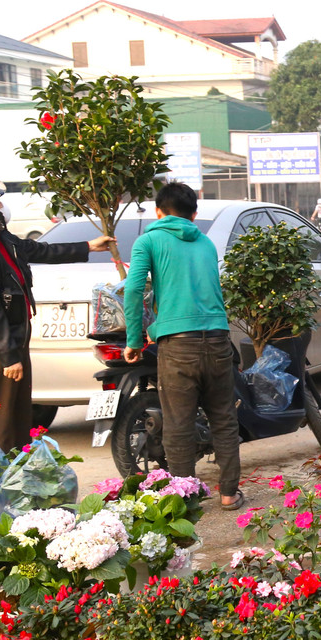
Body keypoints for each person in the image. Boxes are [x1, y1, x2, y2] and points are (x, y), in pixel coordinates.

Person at [0, 175, 110, 452]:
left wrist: (88, 247)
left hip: (10, 343)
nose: (1, 209)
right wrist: (9, 357)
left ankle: (18, 481)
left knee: (19, 419)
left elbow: (39, 250)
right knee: (0, 425)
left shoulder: (1, 240)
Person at [122, 182, 244, 510]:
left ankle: (184, 498)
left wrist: (134, 339)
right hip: (218, 339)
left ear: (158, 212)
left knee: (178, 422)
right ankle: (230, 493)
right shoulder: (205, 243)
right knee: (223, 418)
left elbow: (133, 290)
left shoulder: (147, 240)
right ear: (194, 214)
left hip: (178, 345)